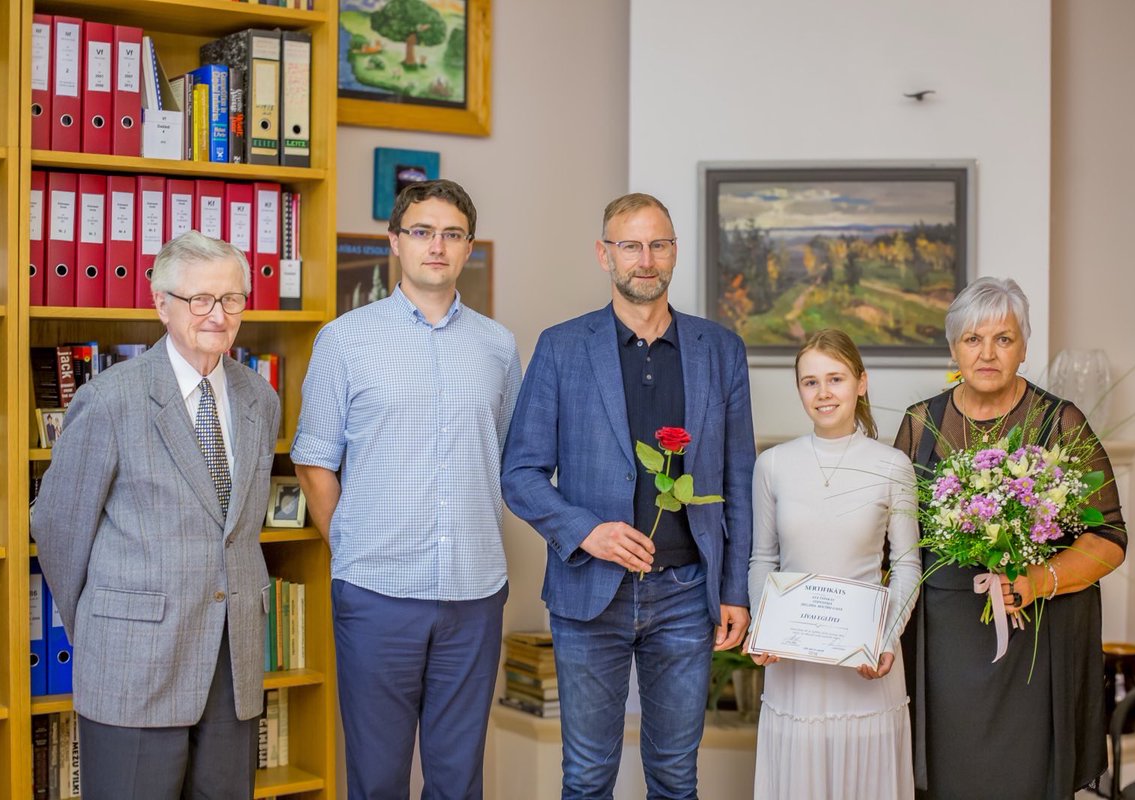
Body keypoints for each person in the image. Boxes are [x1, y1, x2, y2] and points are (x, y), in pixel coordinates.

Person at [501, 192, 757, 798]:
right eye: (631, 246)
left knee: (675, 777)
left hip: (687, 596)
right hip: (590, 595)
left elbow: (739, 482)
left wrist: (735, 590)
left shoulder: (720, 350)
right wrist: (587, 530)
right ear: (604, 254)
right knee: (587, 779)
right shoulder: (562, 347)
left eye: (659, 244)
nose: (646, 259)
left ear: (674, 252)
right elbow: (520, 472)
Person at [292, 179, 521, 799]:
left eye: (451, 234)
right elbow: (314, 462)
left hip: (473, 594)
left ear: (468, 247)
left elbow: (508, 461)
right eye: (422, 232)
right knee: (377, 777)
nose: (436, 246)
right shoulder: (344, 340)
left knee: (456, 778)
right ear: (396, 242)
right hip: (376, 594)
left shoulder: (498, 348)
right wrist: (352, 549)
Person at [31, 231, 281, 798]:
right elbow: (59, 528)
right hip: (134, 664)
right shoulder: (112, 398)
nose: (217, 315)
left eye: (232, 299)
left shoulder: (258, 398)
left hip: (232, 663)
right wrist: (105, 625)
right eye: (200, 299)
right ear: (161, 304)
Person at [894, 276, 1127, 799]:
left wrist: (1034, 579)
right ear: (954, 348)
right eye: (973, 339)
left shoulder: (1060, 422)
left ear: (1023, 348)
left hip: (1036, 639)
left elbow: (1109, 536)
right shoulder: (919, 423)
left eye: (1004, 338)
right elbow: (895, 541)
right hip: (943, 641)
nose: (988, 353)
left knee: (1025, 778)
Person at [748, 329, 920, 799]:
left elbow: (907, 565)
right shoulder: (773, 464)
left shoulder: (892, 466)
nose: (823, 393)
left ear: (861, 383)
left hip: (868, 667)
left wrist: (885, 639)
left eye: (836, 379)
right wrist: (762, 626)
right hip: (794, 668)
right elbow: (762, 557)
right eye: (810, 382)